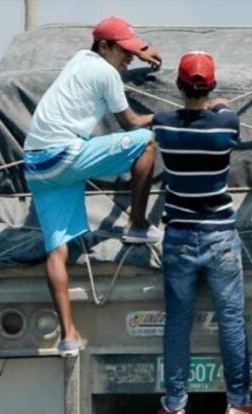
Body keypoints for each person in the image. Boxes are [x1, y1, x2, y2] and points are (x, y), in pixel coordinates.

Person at [23, 16, 162, 357]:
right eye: (124, 51)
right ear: (104, 46)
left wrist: (138, 52)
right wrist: (170, 116)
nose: (128, 58)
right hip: (63, 155)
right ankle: (137, 225)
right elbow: (131, 122)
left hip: (36, 165)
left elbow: (110, 61)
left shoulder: (79, 59)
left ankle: (68, 336)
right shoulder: (105, 73)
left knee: (56, 250)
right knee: (145, 141)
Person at [153, 52, 252, 414]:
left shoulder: (163, 124)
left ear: (178, 85)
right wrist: (219, 104)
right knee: (230, 320)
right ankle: (238, 402)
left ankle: (174, 405)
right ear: (212, 85)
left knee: (177, 323)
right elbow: (223, 112)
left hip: (179, 234)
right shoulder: (226, 123)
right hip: (219, 234)